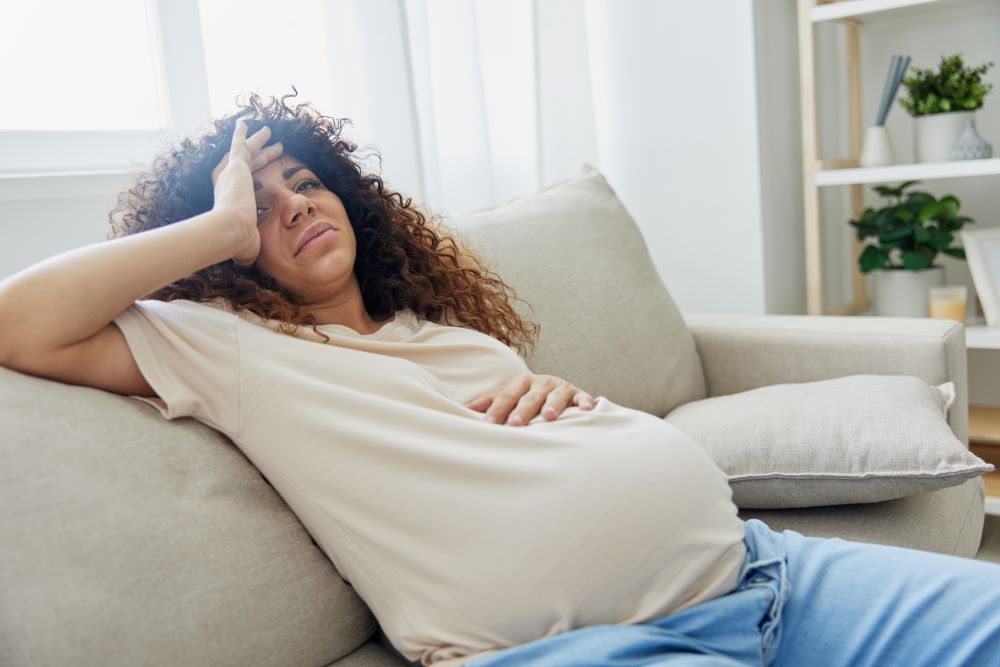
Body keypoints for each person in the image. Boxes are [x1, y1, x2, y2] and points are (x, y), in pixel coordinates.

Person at [2, 93, 1000, 667]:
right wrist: (216, 225)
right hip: (599, 647)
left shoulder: (445, 333)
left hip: (770, 572)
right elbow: (18, 323)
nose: (295, 204)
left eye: (304, 182)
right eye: (260, 205)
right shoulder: (215, 344)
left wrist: (572, 406)